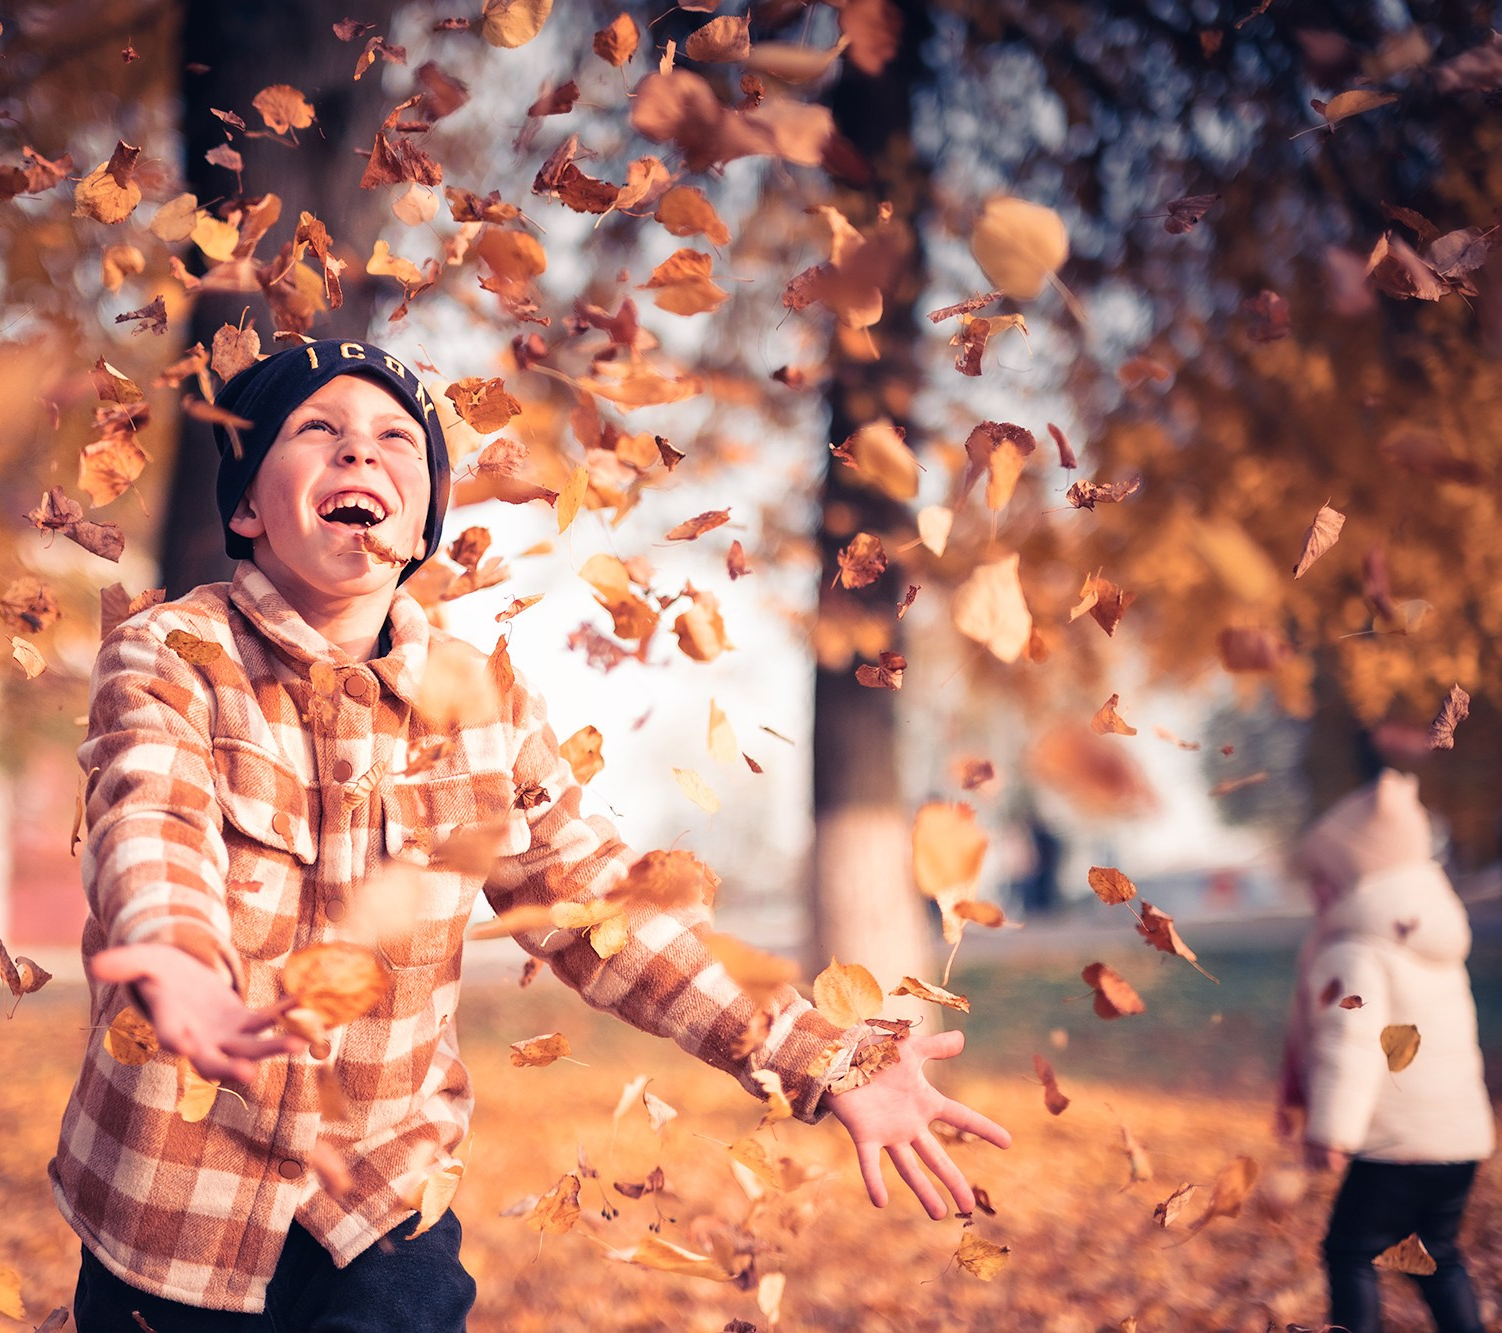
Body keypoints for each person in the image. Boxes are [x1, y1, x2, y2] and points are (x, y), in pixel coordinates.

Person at [50, 338, 1011, 1330]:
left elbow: (603, 912)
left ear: (422, 517)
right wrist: (180, 960)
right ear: (248, 505)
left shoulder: (481, 701)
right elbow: (150, 816)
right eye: (318, 432)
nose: (359, 456)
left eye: (393, 441)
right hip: (175, 1201)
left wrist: (828, 1057)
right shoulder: (173, 654)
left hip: (383, 1210)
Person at [1277, 768, 1494, 1333]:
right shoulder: (1430, 944)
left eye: (1326, 879)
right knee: (1434, 1256)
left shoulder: (1354, 951)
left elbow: (1351, 1043)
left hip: (1398, 1146)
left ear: (1362, 881)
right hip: (1459, 1141)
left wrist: (1332, 1130)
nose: (1315, 893)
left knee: (1350, 1251)